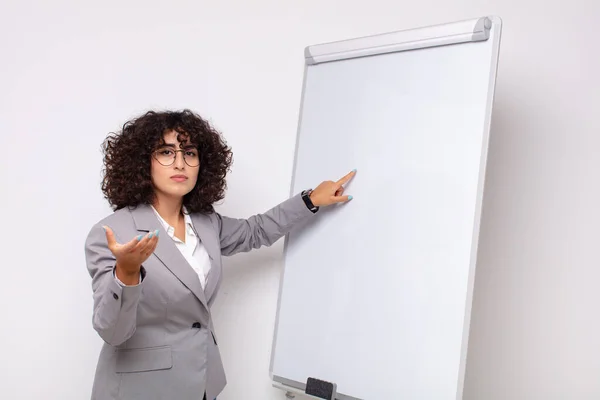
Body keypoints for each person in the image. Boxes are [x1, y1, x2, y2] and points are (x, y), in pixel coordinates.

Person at [84, 109, 355, 400]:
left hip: (202, 383)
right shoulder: (112, 232)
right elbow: (112, 333)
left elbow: (255, 231)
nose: (180, 163)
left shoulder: (205, 222)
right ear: (142, 162)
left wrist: (310, 200)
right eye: (166, 152)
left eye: (189, 153)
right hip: (141, 391)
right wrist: (126, 273)